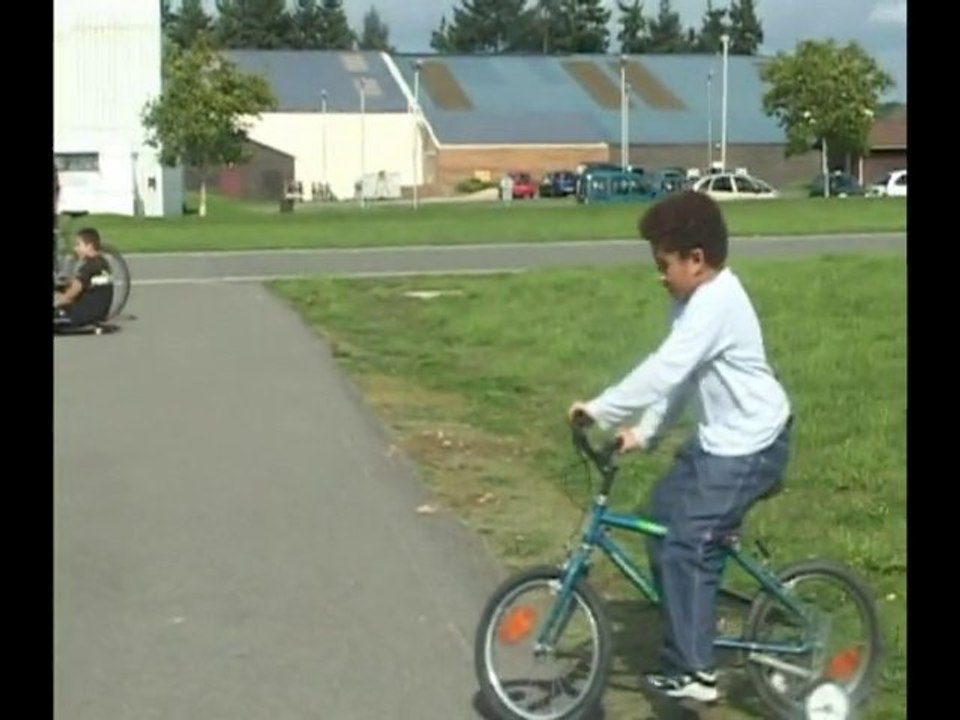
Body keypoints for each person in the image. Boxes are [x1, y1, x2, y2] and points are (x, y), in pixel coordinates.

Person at [568, 189, 793, 704]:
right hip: (721, 442)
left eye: (663, 262)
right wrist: (644, 431)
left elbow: (665, 369)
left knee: (689, 540)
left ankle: (696, 670)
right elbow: (678, 379)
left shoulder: (717, 301)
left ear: (696, 259)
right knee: (662, 520)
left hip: (755, 443)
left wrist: (602, 409)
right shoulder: (689, 301)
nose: (659, 273)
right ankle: (692, 629)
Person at [54, 227, 114, 330]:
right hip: (100, 311)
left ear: (89, 246)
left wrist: (58, 302)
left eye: (78, 245)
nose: (75, 248)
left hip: (85, 314)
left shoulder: (88, 267)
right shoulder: (102, 263)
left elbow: (74, 291)